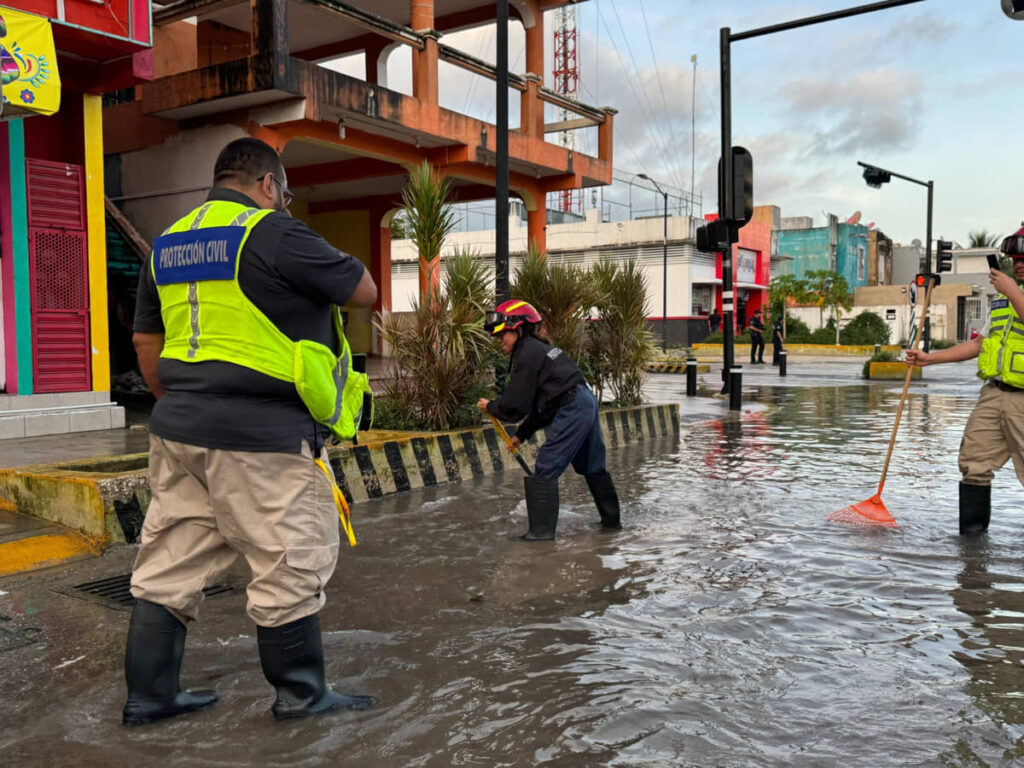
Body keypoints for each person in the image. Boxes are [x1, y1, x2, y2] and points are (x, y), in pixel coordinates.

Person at [125, 137, 378, 725]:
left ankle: (150, 697)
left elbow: (146, 342)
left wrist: (181, 403)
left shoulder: (167, 244)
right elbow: (363, 291)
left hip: (178, 432)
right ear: (268, 185)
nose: (284, 202)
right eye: (284, 193)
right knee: (289, 561)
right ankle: (302, 696)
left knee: (167, 562)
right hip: (263, 436)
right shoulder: (274, 232)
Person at [905, 225, 1024, 535]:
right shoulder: (1002, 301)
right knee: (974, 463)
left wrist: (1011, 290)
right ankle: (972, 555)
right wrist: (930, 358)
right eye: (1015, 258)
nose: (1019, 263)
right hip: (994, 393)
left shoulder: (1010, 293)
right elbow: (979, 344)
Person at [476, 299, 621, 540]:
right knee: (593, 466)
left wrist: (491, 406)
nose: (500, 341)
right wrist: (521, 435)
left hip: (574, 405)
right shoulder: (538, 350)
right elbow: (544, 405)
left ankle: (540, 537)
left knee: (546, 464)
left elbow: (517, 401)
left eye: (503, 335)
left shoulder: (528, 352)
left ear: (519, 329)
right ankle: (612, 525)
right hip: (584, 401)